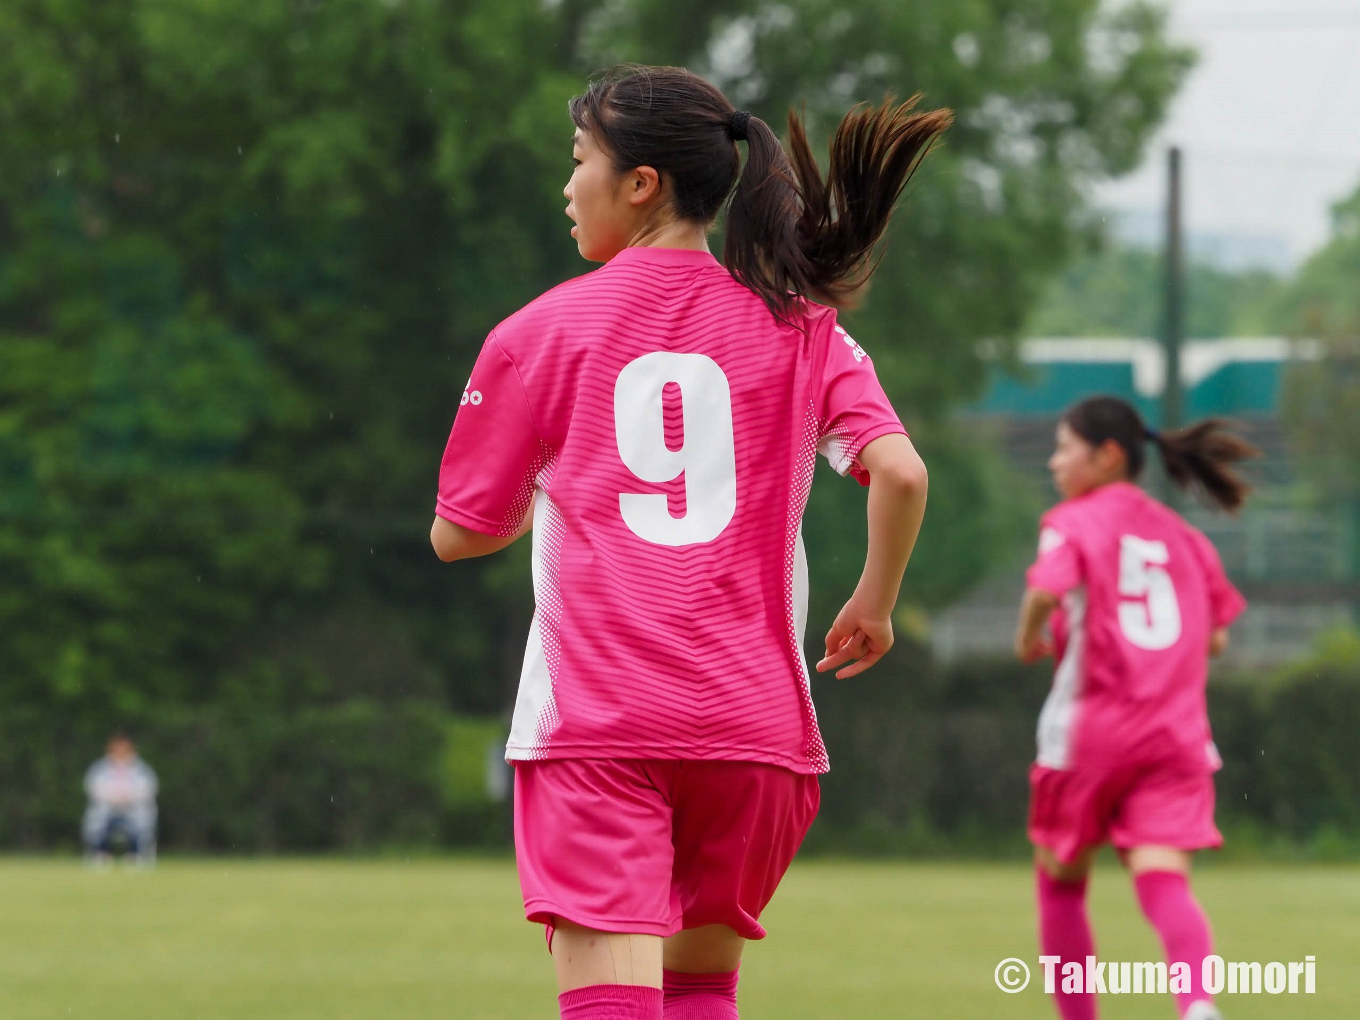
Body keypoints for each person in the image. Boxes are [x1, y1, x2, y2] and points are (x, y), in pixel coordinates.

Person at [431, 64, 943, 1020]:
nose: (567, 185)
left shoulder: (537, 332)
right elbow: (903, 474)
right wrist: (874, 602)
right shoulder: (802, 326)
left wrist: (563, 481)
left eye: (580, 160)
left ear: (642, 183)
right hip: (753, 734)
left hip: (601, 726)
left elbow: (461, 534)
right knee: (700, 993)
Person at [1014, 395, 1259, 1020]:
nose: (1053, 462)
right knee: (1163, 878)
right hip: (1174, 738)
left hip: (1090, 734)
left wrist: (1028, 638)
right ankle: (1198, 1004)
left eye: (1065, 447)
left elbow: (1045, 590)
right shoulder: (1185, 537)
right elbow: (1218, 635)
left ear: (1108, 455)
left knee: (1061, 881)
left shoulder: (1073, 522)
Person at [82, 732, 158, 866]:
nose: (120, 752)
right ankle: (101, 853)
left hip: (133, 809)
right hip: (107, 808)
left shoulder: (141, 769)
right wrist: (112, 797)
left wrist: (130, 797)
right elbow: (93, 788)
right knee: (97, 823)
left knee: (141, 823)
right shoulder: (99, 768)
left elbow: (148, 789)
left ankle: (136, 854)